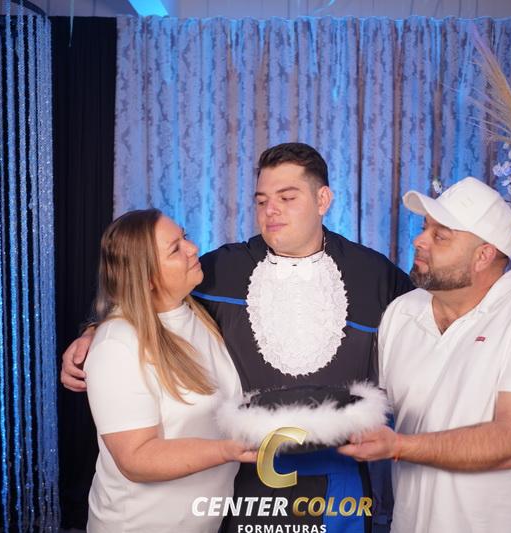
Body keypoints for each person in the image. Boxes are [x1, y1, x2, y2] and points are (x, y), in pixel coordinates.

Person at [62, 143, 414, 532]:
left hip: (339, 475)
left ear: (322, 200)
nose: (271, 211)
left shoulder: (374, 274)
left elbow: (425, 321)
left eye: (287, 198)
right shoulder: (218, 271)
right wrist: (94, 331)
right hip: (243, 479)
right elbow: (142, 291)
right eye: (262, 201)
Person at [338, 177, 511, 533]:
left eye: (441, 236)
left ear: (484, 255)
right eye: (425, 228)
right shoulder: (402, 311)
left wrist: (399, 446)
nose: (419, 240)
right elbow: (377, 411)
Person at [83, 208, 255, 533]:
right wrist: (229, 449)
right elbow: (136, 458)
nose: (193, 248)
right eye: (175, 249)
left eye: (185, 237)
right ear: (146, 277)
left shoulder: (198, 314)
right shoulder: (117, 344)